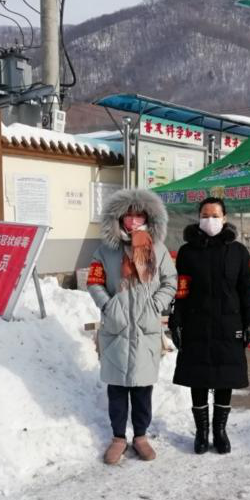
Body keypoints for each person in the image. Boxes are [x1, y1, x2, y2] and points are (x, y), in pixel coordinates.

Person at [86, 188, 177, 465]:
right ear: (119, 219)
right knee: (117, 388)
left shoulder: (158, 250)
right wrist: (108, 306)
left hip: (146, 328)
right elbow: (94, 281)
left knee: (142, 388)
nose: (134, 220)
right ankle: (118, 438)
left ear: (149, 218)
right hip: (117, 328)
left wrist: (155, 304)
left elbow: (170, 282)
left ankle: (140, 436)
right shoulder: (105, 251)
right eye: (129, 215)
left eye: (139, 215)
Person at [169, 197, 250, 455]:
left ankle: (220, 431)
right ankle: (201, 432)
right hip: (196, 323)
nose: (210, 220)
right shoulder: (187, 252)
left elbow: (246, 289)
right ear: (198, 218)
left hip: (229, 324)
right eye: (205, 215)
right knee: (198, 378)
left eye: (215, 215)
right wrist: (176, 319)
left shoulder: (238, 252)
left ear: (224, 218)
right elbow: (181, 289)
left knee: (224, 378)